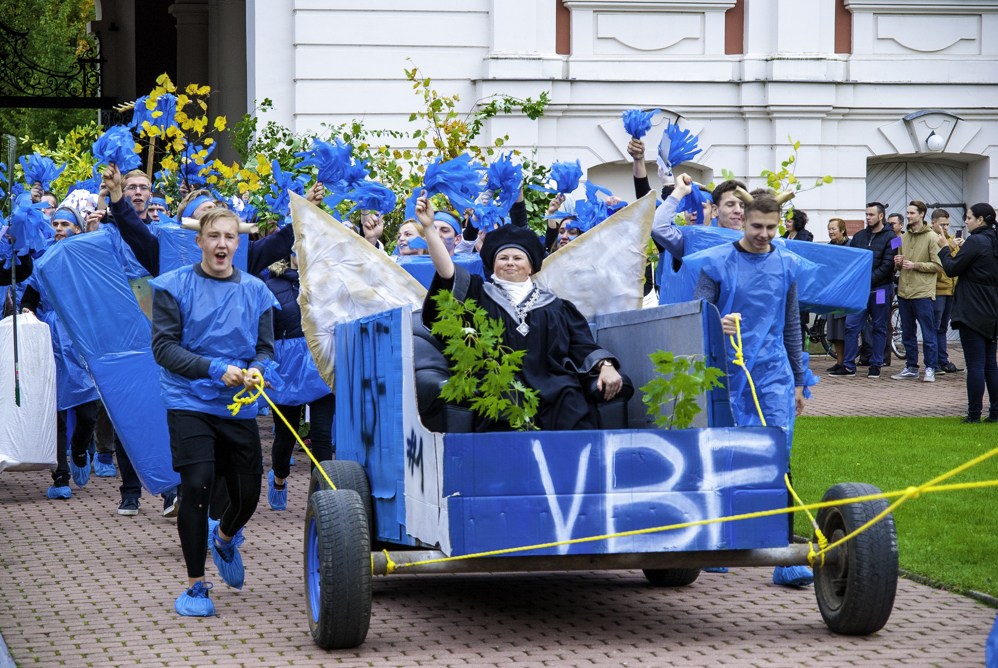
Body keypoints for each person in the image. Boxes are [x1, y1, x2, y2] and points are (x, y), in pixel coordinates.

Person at [148, 208, 279, 616]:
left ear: (238, 243)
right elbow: (163, 349)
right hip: (188, 400)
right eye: (214, 236)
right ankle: (195, 586)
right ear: (199, 242)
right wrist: (214, 368)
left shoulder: (257, 291)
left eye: (229, 236)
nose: (222, 244)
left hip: (237, 405)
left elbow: (265, 349)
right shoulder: (173, 286)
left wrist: (257, 369)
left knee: (248, 497)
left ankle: (223, 539)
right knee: (198, 484)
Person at [416, 193, 624, 431]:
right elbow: (447, 271)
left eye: (517, 257)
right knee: (505, 405)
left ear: (530, 266)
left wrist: (605, 365)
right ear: (493, 264)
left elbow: (581, 344)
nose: (510, 262)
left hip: (554, 385)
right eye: (503, 257)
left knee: (571, 402)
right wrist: (429, 228)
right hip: (497, 383)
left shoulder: (556, 306)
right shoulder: (478, 293)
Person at [686, 194, 810, 588]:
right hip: (725, 371)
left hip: (772, 372)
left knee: (778, 454)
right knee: (726, 454)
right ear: (743, 223)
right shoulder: (717, 263)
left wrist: (800, 380)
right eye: (757, 226)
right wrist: (715, 321)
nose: (764, 234)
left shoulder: (787, 265)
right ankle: (721, 543)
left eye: (771, 227)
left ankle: (783, 556)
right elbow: (695, 314)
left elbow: (791, 325)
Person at [20, 206, 102, 500]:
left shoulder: (86, 260)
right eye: (55, 223)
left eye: (65, 223)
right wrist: (27, 311)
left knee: (88, 410)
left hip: (81, 340)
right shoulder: (42, 263)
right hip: (51, 342)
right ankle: (61, 476)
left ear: (78, 229)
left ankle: (79, 448)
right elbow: (30, 298)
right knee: (54, 412)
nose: (58, 228)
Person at [103, 164, 296, 278]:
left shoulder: (239, 250)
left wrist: (305, 211)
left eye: (215, 209)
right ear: (189, 221)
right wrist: (117, 194)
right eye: (206, 211)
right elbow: (134, 231)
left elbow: (279, 243)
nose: (214, 213)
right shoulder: (165, 252)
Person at [263, 255, 335, 510]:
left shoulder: (329, 282)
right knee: (286, 435)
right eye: (296, 247)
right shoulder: (272, 286)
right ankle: (279, 480)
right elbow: (265, 332)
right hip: (287, 369)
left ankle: (323, 497)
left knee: (322, 435)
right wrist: (266, 368)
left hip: (321, 364)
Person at [934, 204, 998, 423]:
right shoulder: (993, 240)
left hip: (972, 309)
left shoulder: (976, 241)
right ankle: (995, 412)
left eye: (969, 217)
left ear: (980, 220)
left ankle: (973, 415)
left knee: (976, 365)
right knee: (990, 363)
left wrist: (945, 247)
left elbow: (952, 268)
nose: (966, 221)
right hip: (992, 309)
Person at [832, 202, 897, 378]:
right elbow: (852, 261)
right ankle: (848, 365)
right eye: (867, 214)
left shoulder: (892, 237)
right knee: (851, 326)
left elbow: (888, 266)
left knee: (879, 327)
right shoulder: (859, 236)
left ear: (881, 216)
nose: (867, 217)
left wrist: (866, 280)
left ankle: (875, 365)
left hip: (880, 290)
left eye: (871, 215)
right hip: (859, 291)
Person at [891, 200, 942, 381]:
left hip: (923, 293)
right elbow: (898, 266)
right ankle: (911, 367)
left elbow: (938, 266)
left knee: (928, 332)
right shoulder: (902, 238)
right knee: (907, 332)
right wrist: (897, 263)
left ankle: (930, 367)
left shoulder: (932, 237)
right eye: (907, 213)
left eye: (912, 213)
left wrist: (915, 265)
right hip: (904, 291)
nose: (908, 216)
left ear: (922, 214)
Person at [652, 177, 746, 262]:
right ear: (715, 210)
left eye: (743, 206)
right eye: (730, 204)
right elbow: (658, 228)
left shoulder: (753, 240)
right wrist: (680, 190)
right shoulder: (693, 239)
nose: (738, 210)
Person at [930, 209, 963, 375]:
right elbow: (938, 262)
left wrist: (962, 248)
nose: (945, 228)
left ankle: (942, 360)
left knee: (943, 327)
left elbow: (955, 263)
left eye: (947, 224)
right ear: (933, 223)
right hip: (938, 289)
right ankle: (934, 362)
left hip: (951, 289)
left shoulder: (951, 239)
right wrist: (949, 247)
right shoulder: (932, 239)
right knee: (935, 326)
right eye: (942, 224)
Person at [825, 218, 850, 372]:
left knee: (844, 329)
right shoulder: (828, 247)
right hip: (832, 294)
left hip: (845, 294)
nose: (831, 232)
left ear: (842, 230)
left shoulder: (850, 246)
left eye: (834, 229)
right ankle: (839, 362)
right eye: (829, 229)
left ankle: (846, 362)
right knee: (834, 331)